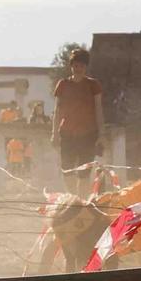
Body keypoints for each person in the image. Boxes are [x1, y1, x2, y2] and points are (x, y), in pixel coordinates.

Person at [51, 49, 104, 193]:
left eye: (81, 66)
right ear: (71, 66)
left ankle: (81, 202)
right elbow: (57, 110)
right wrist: (54, 134)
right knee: (67, 170)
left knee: (84, 172)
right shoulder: (63, 85)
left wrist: (101, 135)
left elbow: (98, 110)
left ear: (85, 67)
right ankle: (72, 199)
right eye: (75, 66)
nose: (78, 69)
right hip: (67, 133)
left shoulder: (93, 85)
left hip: (88, 134)